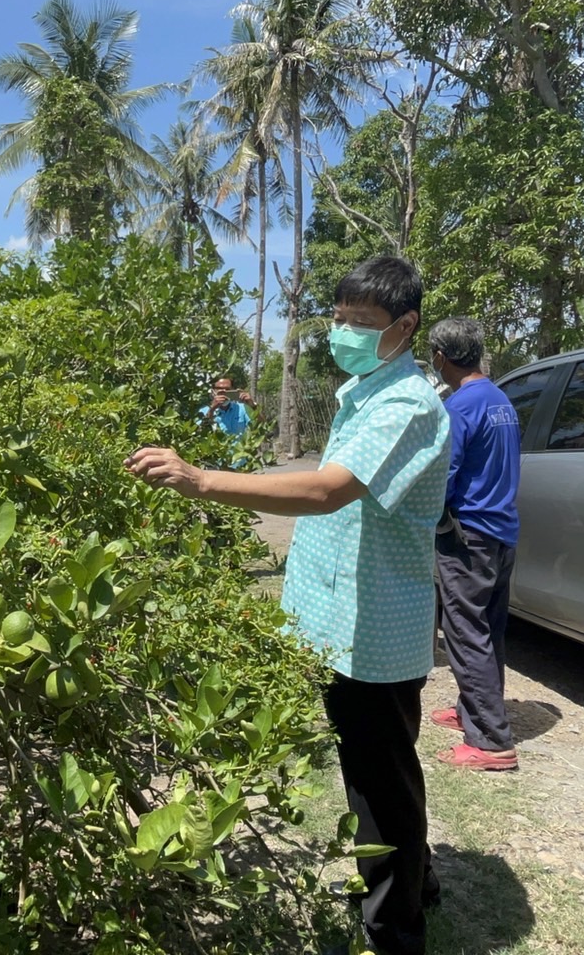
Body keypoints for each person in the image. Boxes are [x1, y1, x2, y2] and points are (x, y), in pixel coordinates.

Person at [127, 257, 450, 955]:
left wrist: (201, 480)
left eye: (361, 324)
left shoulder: (406, 404)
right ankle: (416, 883)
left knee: (379, 785)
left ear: (406, 326)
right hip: (337, 623)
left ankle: (397, 931)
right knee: (379, 771)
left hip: (374, 636)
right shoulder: (364, 390)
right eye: (339, 320)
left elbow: (328, 489)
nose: (343, 334)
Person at [427, 318, 522, 772]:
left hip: (469, 534)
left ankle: (490, 740)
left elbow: (444, 474)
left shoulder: (460, 407)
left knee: (466, 632)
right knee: (487, 630)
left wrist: (426, 514)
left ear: (440, 358)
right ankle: (473, 711)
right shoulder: (501, 399)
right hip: (501, 531)